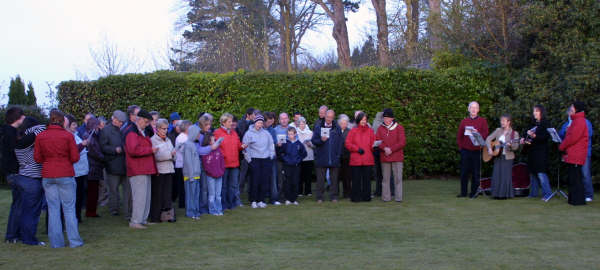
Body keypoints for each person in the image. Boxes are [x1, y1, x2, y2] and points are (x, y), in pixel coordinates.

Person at [34, 109, 83, 248]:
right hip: (65, 173)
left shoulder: (41, 136)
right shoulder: (67, 136)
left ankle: (56, 243)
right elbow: (75, 157)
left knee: (53, 209)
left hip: (48, 174)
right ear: (62, 121)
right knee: (69, 208)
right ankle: (74, 241)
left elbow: (37, 158)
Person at [12, 116, 46, 246]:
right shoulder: (28, 139)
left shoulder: (21, 141)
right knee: (32, 212)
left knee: (25, 210)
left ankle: (21, 235)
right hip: (32, 179)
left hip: (23, 176)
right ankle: (29, 239)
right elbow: (41, 129)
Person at [125, 110, 158, 229]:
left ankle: (142, 219)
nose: (147, 124)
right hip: (137, 168)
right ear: (139, 120)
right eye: (146, 122)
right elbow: (133, 150)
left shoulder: (141, 132)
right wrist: (150, 150)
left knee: (145, 196)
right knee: (139, 196)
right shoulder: (132, 132)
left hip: (144, 167)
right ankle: (135, 221)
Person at [99, 110, 131, 218]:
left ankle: (128, 209)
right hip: (113, 164)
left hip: (125, 164)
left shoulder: (125, 129)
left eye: (122, 122)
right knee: (113, 190)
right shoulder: (105, 131)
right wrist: (114, 150)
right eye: (119, 121)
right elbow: (102, 147)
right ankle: (114, 209)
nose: (121, 124)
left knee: (127, 189)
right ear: (114, 119)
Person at [559, 105, 594, 202]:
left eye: (571, 110)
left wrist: (562, 146)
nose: (569, 113)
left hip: (582, 152)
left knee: (584, 174)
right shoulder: (570, 123)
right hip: (573, 152)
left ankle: (588, 195)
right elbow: (562, 134)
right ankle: (575, 196)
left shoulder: (583, 122)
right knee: (575, 175)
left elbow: (577, 137)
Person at [456, 101, 489, 198]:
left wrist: (478, 133)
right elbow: (459, 136)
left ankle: (473, 193)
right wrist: (461, 148)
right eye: (472, 107)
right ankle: (463, 192)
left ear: (478, 110)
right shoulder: (464, 121)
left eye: (476, 108)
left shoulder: (483, 121)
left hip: (476, 150)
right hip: (465, 151)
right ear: (468, 109)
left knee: (475, 173)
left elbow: (486, 134)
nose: (474, 109)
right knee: (464, 172)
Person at [2, 106, 25, 244]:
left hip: (10, 172)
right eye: (22, 116)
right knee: (18, 204)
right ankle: (12, 235)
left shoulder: (7, 131)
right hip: (14, 172)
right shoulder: (10, 133)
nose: (24, 119)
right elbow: (15, 153)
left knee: (17, 203)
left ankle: (13, 233)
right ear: (17, 118)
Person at [242, 114, 275, 209]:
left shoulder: (266, 133)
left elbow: (271, 145)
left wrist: (271, 155)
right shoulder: (248, 133)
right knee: (254, 180)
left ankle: (261, 200)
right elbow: (245, 148)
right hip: (254, 159)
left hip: (265, 159)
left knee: (264, 181)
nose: (259, 124)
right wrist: (249, 160)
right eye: (258, 122)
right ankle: (253, 200)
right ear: (255, 122)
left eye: (261, 122)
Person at [214, 113, 246, 210]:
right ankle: (223, 204)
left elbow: (238, 145)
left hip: (234, 163)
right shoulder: (217, 133)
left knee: (233, 185)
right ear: (223, 122)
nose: (231, 123)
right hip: (223, 164)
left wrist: (242, 146)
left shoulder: (234, 133)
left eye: (231, 121)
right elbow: (215, 148)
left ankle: (232, 204)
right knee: (223, 186)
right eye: (229, 121)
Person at [521, 105, 553, 201]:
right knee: (532, 173)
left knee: (540, 172)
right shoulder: (532, 123)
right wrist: (523, 138)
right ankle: (533, 193)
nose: (534, 113)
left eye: (537, 111)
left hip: (541, 152)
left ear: (541, 112)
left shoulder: (546, 123)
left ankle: (547, 194)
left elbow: (545, 137)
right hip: (531, 151)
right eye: (534, 111)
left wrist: (535, 136)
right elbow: (526, 134)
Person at [311, 109, 343, 203]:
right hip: (321, 157)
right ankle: (319, 197)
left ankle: (334, 197)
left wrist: (338, 154)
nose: (329, 119)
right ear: (325, 116)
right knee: (320, 180)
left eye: (331, 117)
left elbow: (340, 142)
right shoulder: (318, 127)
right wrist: (321, 140)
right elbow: (314, 141)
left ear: (333, 118)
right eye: (328, 117)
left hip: (334, 158)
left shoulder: (337, 127)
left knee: (334, 179)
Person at [485, 114, 519, 199]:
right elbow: (488, 139)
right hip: (497, 156)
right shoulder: (498, 130)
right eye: (501, 121)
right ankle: (496, 194)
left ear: (509, 122)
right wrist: (489, 148)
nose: (502, 122)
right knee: (496, 175)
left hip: (508, 157)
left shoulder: (514, 134)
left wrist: (510, 145)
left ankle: (504, 195)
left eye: (504, 121)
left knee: (505, 176)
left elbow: (516, 147)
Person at [376, 109, 406, 202]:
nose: (386, 119)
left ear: (392, 118)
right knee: (385, 179)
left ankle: (398, 197)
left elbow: (402, 142)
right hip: (385, 156)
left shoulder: (399, 127)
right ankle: (386, 197)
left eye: (388, 117)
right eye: (384, 118)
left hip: (397, 157)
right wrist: (384, 148)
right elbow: (377, 141)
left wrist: (391, 149)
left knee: (398, 178)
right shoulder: (380, 128)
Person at [345, 112, 376, 202]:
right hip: (356, 159)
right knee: (356, 180)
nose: (363, 121)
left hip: (367, 159)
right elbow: (347, 143)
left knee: (367, 180)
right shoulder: (353, 131)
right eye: (362, 120)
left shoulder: (370, 131)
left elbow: (373, 143)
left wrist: (375, 146)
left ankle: (366, 197)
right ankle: (356, 197)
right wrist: (357, 149)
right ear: (358, 120)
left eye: (365, 120)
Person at [150, 119, 176, 223]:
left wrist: (172, 155)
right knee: (158, 194)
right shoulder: (153, 140)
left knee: (167, 194)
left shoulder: (168, 140)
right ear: (157, 128)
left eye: (166, 128)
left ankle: (167, 215)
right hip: (159, 170)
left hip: (169, 169)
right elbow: (157, 156)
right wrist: (170, 155)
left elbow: (173, 152)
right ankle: (156, 217)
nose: (165, 131)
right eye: (163, 128)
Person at [65, 114, 89, 223]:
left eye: (76, 124)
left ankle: (78, 216)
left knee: (80, 194)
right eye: (73, 124)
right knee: (75, 196)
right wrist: (82, 145)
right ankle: (74, 216)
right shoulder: (68, 136)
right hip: (75, 171)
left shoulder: (76, 135)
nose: (76, 126)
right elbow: (72, 151)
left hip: (81, 171)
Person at [277, 127, 307, 205]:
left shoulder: (299, 144)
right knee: (287, 182)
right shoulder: (284, 143)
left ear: (295, 134)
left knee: (295, 182)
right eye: (289, 134)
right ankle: (288, 199)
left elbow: (304, 153)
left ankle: (294, 199)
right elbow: (279, 153)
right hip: (287, 166)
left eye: (291, 134)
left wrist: (298, 160)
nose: (290, 135)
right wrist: (285, 159)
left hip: (296, 166)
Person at [201, 131, 226, 215]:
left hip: (219, 175)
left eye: (214, 140)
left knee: (218, 195)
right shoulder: (205, 151)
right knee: (212, 195)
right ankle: (212, 210)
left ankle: (219, 210)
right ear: (208, 141)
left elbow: (222, 161)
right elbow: (206, 165)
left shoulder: (218, 150)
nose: (214, 142)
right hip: (210, 176)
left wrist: (222, 170)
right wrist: (211, 173)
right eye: (212, 140)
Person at [182, 125, 203, 219]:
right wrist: (191, 176)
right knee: (191, 195)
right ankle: (191, 212)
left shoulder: (193, 144)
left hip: (196, 175)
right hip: (191, 176)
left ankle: (196, 211)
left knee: (196, 194)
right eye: (198, 133)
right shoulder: (187, 145)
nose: (199, 135)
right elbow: (188, 162)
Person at [85, 117, 104, 217]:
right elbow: (94, 152)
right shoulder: (90, 136)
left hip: (94, 166)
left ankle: (92, 211)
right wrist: (103, 158)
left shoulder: (92, 135)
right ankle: (90, 212)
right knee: (92, 191)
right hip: (92, 167)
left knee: (94, 191)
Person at [272, 112, 292, 205]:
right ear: (279, 120)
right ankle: (279, 197)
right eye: (282, 119)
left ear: (288, 119)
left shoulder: (292, 129)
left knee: (289, 177)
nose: (284, 120)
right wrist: (277, 144)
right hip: (279, 157)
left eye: (285, 118)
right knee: (279, 178)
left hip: (289, 157)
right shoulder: (275, 130)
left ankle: (289, 197)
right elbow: (272, 143)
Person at [237, 108, 255, 199]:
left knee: (251, 176)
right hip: (244, 153)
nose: (255, 116)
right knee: (242, 176)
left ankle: (250, 196)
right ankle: (238, 196)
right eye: (253, 115)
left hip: (252, 152)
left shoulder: (253, 123)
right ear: (248, 115)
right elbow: (241, 136)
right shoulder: (241, 123)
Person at [174, 120, 192, 209]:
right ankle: (182, 204)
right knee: (182, 186)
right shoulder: (181, 137)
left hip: (185, 164)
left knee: (185, 185)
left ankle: (185, 202)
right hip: (181, 164)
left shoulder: (186, 136)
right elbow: (183, 150)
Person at [296, 117, 315, 197]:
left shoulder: (310, 132)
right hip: (299, 156)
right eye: (300, 123)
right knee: (300, 175)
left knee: (308, 175)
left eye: (303, 123)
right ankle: (299, 191)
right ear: (298, 124)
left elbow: (315, 145)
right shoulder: (295, 133)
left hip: (309, 156)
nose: (302, 125)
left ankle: (308, 191)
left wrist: (310, 144)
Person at [338, 114, 352, 198]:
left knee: (347, 176)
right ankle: (336, 193)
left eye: (345, 123)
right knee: (337, 176)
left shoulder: (350, 131)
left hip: (347, 157)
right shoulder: (336, 131)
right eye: (342, 123)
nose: (344, 124)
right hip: (338, 157)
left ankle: (347, 193)